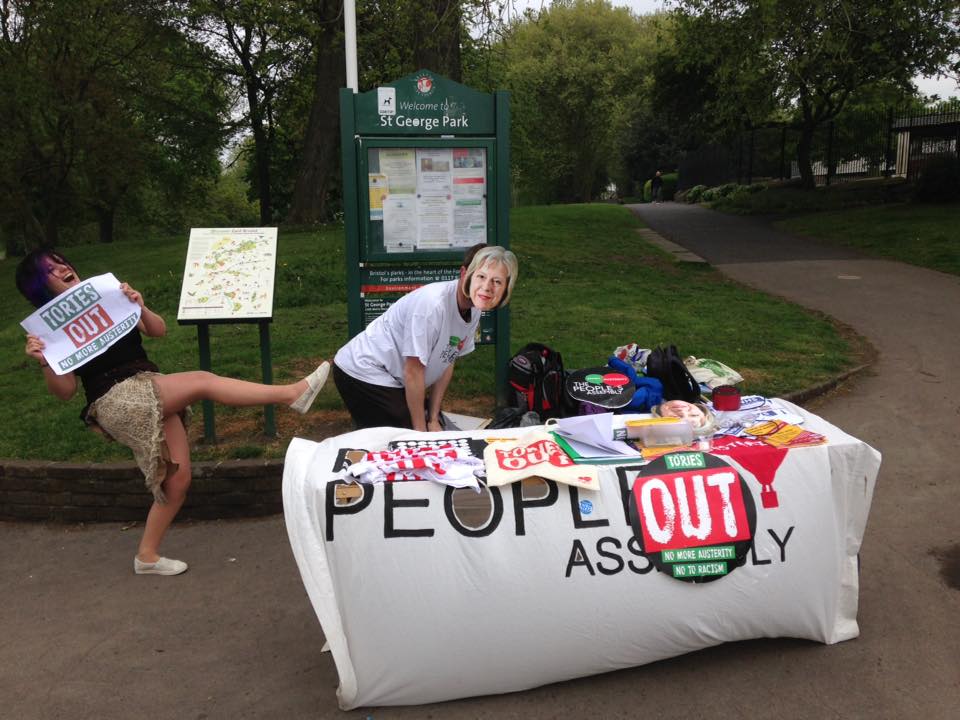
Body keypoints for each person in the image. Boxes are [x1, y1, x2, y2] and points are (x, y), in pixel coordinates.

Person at [17, 248, 329, 576]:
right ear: (41, 287)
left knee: (178, 480)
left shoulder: (107, 295)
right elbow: (65, 391)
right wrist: (44, 361)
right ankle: (291, 395)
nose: (62, 268)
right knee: (202, 381)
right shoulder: (48, 332)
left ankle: (146, 556)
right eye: (50, 270)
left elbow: (158, 330)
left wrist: (138, 304)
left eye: (61, 262)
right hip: (114, 398)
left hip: (147, 384)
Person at [333, 244, 518, 431]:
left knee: (432, 424)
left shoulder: (475, 307)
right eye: (481, 277)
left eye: (497, 282)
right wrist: (421, 433)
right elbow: (413, 371)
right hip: (361, 370)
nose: (487, 287)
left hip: (394, 376)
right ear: (464, 274)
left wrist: (433, 418)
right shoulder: (432, 305)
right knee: (403, 433)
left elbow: (448, 357)